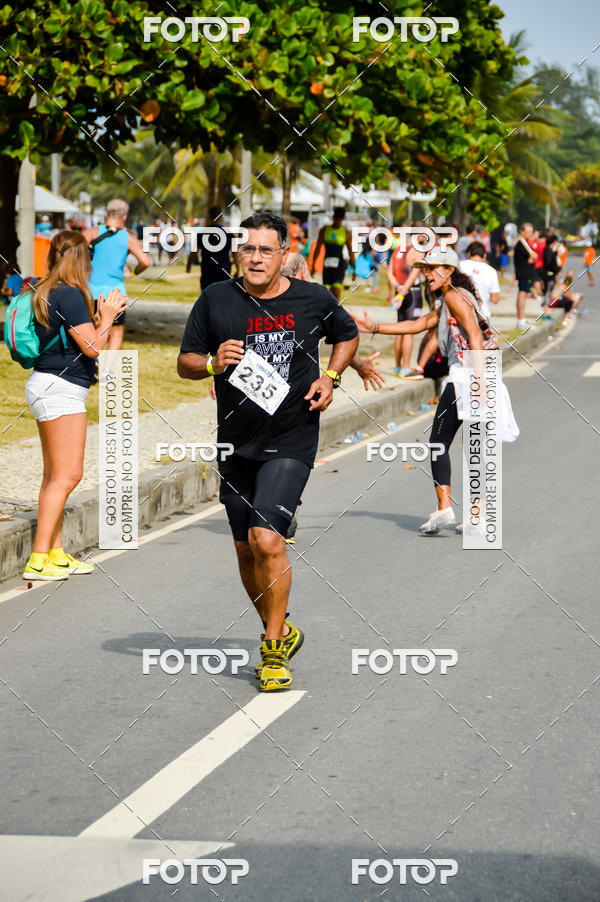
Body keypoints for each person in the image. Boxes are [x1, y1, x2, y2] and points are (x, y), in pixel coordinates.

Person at [178, 212, 359, 691]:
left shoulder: (312, 298)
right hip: (236, 440)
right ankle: (279, 626)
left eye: (266, 250)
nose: (256, 258)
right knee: (244, 549)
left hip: (292, 435)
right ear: (238, 253)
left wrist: (331, 377)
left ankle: (273, 650)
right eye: (248, 249)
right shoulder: (216, 298)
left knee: (267, 540)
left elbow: (347, 334)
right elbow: (185, 362)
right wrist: (211, 363)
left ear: (283, 255)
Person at [351, 246, 487, 535]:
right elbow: (418, 324)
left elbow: (475, 335)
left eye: (432, 268)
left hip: (467, 375)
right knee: (473, 446)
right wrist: (373, 327)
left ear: (450, 270)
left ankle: (445, 508)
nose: (427, 274)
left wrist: (479, 381)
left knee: (439, 443)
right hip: (476, 374)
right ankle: (476, 514)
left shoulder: (454, 296)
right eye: (424, 269)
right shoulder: (454, 297)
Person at [21, 231, 127, 581]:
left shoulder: (45, 289)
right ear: (82, 259)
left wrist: (100, 318)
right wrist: (107, 317)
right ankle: (38, 559)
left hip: (46, 384)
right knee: (68, 475)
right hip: (61, 389)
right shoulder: (69, 294)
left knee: (53, 476)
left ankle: (55, 553)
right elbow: (92, 347)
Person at [281, 252, 385, 391]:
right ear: (303, 273)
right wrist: (333, 376)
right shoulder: (314, 301)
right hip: (304, 394)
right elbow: (344, 337)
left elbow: (342, 340)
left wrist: (360, 365)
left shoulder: (261, 299)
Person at [83, 199, 150, 358]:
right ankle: (107, 369)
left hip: (89, 291)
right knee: (116, 334)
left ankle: (92, 364)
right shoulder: (128, 238)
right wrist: (135, 272)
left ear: (106, 214)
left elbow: (74, 253)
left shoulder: (92, 232)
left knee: (90, 331)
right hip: (115, 294)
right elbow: (145, 262)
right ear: (124, 217)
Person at [386, 230, 427, 376]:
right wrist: (403, 292)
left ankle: (397, 366)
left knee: (399, 329)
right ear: (419, 235)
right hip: (412, 292)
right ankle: (405, 367)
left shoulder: (398, 249)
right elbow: (414, 274)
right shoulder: (417, 251)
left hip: (399, 290)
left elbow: (389, 273)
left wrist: (398, 287)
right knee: (409, 330)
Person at [311, 206, 356, 300]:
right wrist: (313, 265)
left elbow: (350, 251)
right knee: (327, 293)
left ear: (342, 219)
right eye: (336, 218)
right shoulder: (324, 230)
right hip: (327, 265)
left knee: (336, 292)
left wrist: (354, 269)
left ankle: (335, 309)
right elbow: (317, 249)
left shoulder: (346, 232)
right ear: (333, 217)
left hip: (339, 265)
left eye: (339, 219)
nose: (337, 221)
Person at [198, 206, 238, 290]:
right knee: (223, 295)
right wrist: (238, 269)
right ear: (221, 217)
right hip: (224, 271)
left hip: (207, 271)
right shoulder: (229, 234)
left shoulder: (201, 234)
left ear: (209, 216)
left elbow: (194, 252)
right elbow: (235, 254)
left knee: (207, 296)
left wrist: (189, 266)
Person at [459, 241, 500, 322]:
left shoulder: (459, 266)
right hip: (483, 314)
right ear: (484, 255)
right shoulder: (491, 271)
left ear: (469, 253)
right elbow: (495, 299)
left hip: (461, 313)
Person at [513, 222, 537, 330]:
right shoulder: (522, 243)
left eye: (531, 232)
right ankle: (521, 320)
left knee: (523, 295)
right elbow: (533, 257)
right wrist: (533, 257)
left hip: (525, 273)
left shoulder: (524, 242)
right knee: (522, 295)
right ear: (522, 232)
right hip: (524, 273)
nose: (530, 234)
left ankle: (521, 319)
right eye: (528, 232)